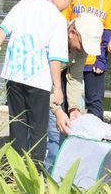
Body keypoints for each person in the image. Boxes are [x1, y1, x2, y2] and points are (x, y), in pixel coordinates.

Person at [0, 0, 77, 168]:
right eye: (70, 1)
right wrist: (57, 88)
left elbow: (3, 29)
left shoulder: (24, 4)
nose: (68, 5)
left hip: (13, 76)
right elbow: (55, 57)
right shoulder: (58, 19)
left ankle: (12, 171)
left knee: (17, 126)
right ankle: (33, 175)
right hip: (38, 81)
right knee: (37, 131)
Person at [44, 13, 104, 170]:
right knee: (53, 132)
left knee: (64, 130)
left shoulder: (80, 47)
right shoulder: (52, 39)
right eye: (83, 45)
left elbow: (75, 78)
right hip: (38, 82)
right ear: (72, 33)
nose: (84, 50)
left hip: (55, 85)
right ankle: (47, 177)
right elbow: (44, 79)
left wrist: (74, 108)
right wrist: (57, 111)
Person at [63, 0, 111, 120]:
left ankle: (95, 137)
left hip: (94, 60)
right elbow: (64, 23)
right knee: (68, 101)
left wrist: (102, 59)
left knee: (95, 101)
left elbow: (108, 31)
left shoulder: (109, 0)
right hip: (71, 57)